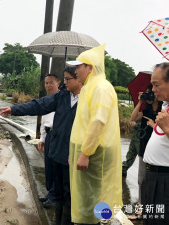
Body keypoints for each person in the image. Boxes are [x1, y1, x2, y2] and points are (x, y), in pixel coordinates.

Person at [0, 67, 82, 225]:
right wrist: (14, 110)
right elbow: (39, 105)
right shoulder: (62, 96)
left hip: (73, 155)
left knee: (70, 195)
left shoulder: (88, 99)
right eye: (63, 79)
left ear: (78, 79)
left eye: (67, 79)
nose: (64, 83)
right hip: (58, 151)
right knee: (59, 195)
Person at [67, 44, 122, 225]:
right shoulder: (88, 87)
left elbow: (98, 122)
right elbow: (81, 124)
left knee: (95, 196)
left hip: (94, 153)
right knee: (83, 194)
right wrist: (73, 152)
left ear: (90, 67)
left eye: (79, 66)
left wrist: (85, 153)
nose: (75, 70)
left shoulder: (101, 88)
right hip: (85, 151)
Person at [142, 62, 169, 225]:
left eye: (156, 84)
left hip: (165, 180)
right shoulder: (164, 106)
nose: (153, 89)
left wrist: (167, 127)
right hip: (151, 177)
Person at [130, 84, 162, 206]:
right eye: (147, 93)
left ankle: (152, 204)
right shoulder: (145, 111)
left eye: (151, 93)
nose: (149, 95)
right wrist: (139, 103)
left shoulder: (162, 112)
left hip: (157, 151)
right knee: (141, 179)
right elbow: (132, 118)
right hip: (144, 148)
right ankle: (141, 205)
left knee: (154, 180)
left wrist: (153, 125)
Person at [37, 74, 60, 208]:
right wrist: (42, 138)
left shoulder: (62, 99)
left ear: (58, 83)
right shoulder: (46, 100)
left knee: (56, 167)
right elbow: (43, 121)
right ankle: (50, 193)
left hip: (58, 135)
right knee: (49, 166)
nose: (48, 85)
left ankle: (54, 196)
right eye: (46, 83)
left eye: (51, 82)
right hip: (49, 134)